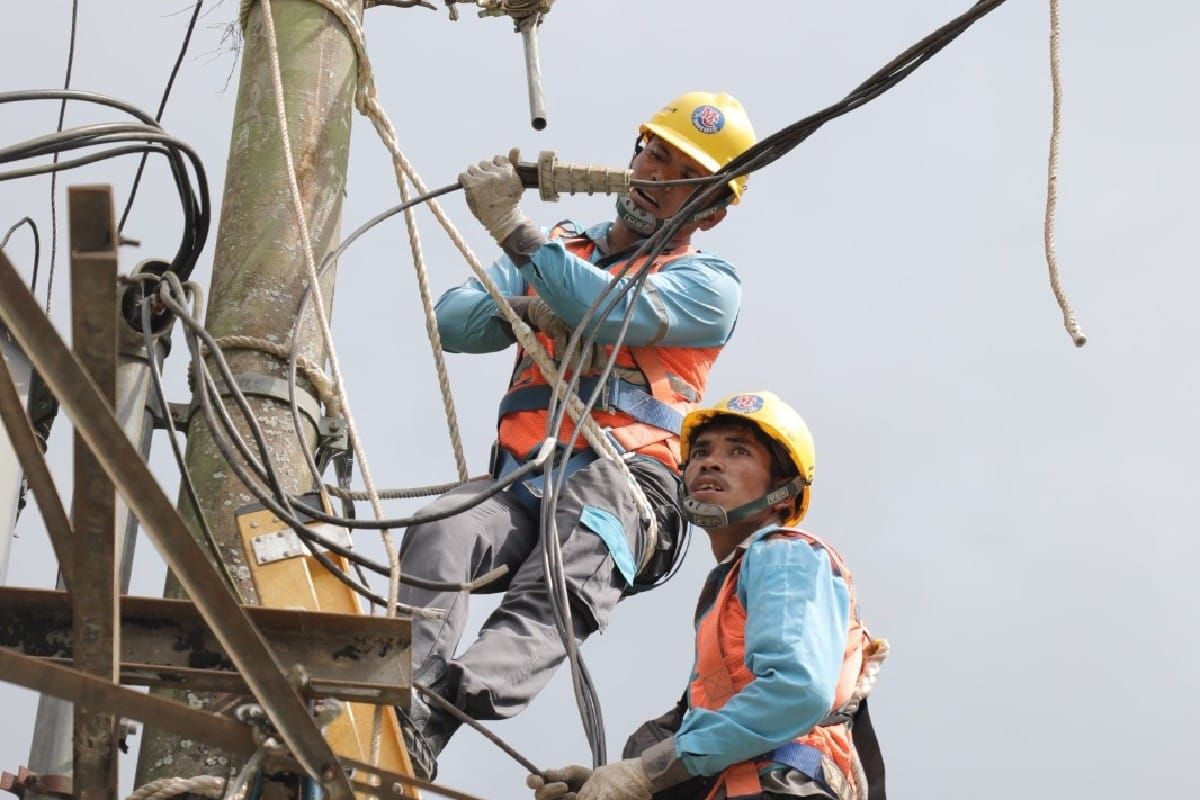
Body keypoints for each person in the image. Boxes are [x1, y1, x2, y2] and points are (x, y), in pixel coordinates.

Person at [395, 92, 758, 778]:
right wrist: (529, 308)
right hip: (522, 480)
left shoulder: (708, 285)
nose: (656, 176)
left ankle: (436, 715)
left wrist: (515, 231)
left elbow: (604, 309)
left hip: (625, 483)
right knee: (443, 528)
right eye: (654, 155)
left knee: (557, 583)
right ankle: (400, 698)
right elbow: (452, 321)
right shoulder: (563, 248)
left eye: (681, 175)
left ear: (709, 211)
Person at [529, 391, 887, 800]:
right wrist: (615, 782)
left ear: (785, 491)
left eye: (738, 451)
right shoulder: (731, 588)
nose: (710, 462)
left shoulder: (784, 555)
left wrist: (646, 773)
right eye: (700, 452)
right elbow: (708, 738)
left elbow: (797, 690)